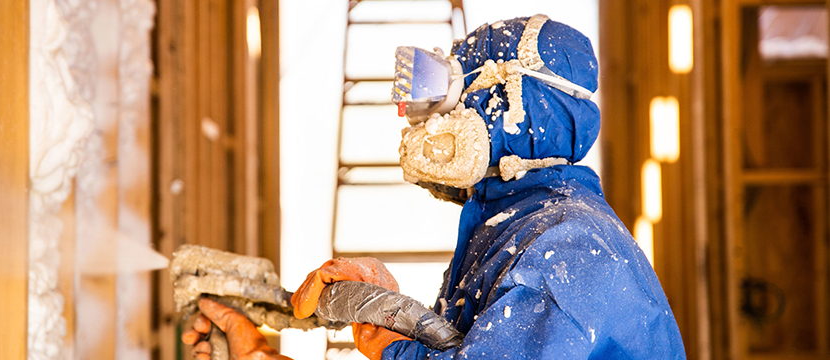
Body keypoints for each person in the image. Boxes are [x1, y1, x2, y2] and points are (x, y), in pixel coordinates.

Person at [182, 15, 687, 359]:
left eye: (449, 91)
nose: (428, 119)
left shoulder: (571, 250)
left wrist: (392, 336)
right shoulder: (518, 230)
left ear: (515, 103)